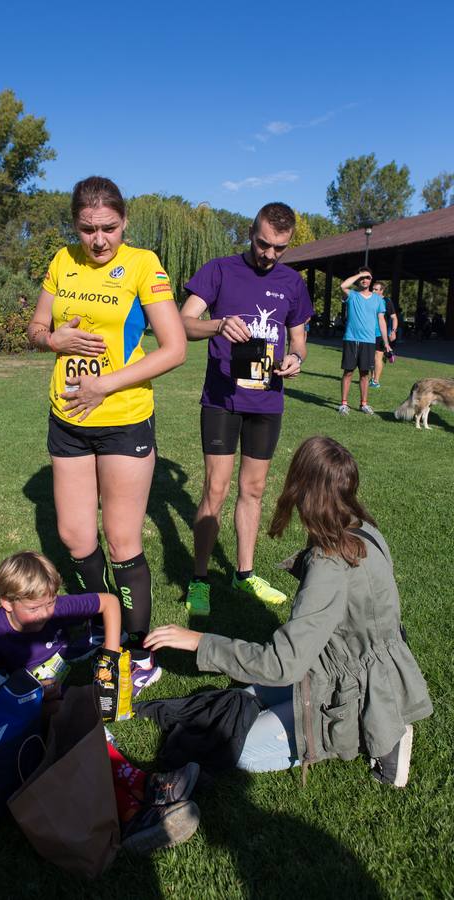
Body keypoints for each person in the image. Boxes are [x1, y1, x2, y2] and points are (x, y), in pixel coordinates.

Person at [144, 437, 433, 787]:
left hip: (352, 686)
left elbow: (281, 665)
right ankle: (381, 716)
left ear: (301, 488)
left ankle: (383, 730)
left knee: (234, 749)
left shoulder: (329, 562)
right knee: (242, 699)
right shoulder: (364, 530)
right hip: (345, 665)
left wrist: (199, 641)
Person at [27, 176, 186, 695]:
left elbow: (174, 347)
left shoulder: (143, 264)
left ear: (125, 223)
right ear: (75, 225)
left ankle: (139, 650)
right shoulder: (61, 260)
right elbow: (34, 327)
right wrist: (54, 338)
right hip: (67, 419)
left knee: (121, 542)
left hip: (123, 418)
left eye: (109, 229)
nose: (98, 240)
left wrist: (104, 386)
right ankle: (101, 624)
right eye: (88, 229)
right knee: (75, 537)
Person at [0, 550, 201, 853]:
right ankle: (133, 808)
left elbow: (109, 603)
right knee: (74, 737)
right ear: (7, 603)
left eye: (51, 602)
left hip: (54, 706)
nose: (48, 613)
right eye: (36, 607)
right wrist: (26, 694)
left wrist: (111, 658)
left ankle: (142, 791)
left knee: (81, 726)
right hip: (17, 730)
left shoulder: (54, 607)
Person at [180, 202, 313, 615]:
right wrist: (218, 324)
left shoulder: (292, 283)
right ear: (250, 232)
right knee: (215, 490)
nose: (269, 254)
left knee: (253, 490)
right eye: (263, 243)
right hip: (222, 399)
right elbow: (182, 322)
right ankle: (200, 579)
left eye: (280, 248)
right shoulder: (219, 270)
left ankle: (244, 574)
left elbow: (299, 340)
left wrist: (296, 358)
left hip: (267, 401)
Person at [338, 268, 391, 415]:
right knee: (348, 372)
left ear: (371, 280)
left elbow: (382, 321)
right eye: (362, 277)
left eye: (367, 277)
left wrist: (386, 343)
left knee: (364, 374)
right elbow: (343, 286)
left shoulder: (378, 300)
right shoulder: (352, 295)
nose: (364, 280)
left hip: (369, 341)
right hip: (351, 339)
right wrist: (359, 274)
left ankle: (364, 404)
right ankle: (343, 404)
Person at [370, 282, 398, 388]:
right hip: (368, 333)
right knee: (371, 357)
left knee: (378, 356)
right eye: (373, 289)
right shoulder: (369, 299)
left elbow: (394, 318)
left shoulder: (387, 301)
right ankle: (372, 377)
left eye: (376, 289)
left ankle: (376, 381)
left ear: (382, 291)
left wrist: (393, 331)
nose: (373, 291)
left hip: (381, 333)